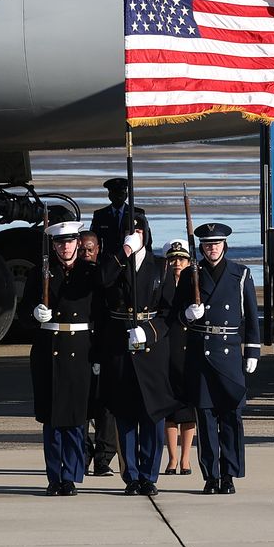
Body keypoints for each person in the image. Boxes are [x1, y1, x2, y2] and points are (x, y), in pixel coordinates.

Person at [96, 209, 180, 498]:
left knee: (153, 416)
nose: (134, 236)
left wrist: (150, 331)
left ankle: (149, 475)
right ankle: (130, 475)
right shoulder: (114, 262)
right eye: (129, 232)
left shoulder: (162, 267)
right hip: (119, 345)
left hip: (151, 347)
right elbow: (102, 281)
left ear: (147, 234)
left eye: (139, 232)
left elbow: (170, 311)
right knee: (125, 415)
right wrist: (124, 252)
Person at [176, 222, 260, 495]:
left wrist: (253, 351)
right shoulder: (191, 274)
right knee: (206, 417)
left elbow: (250, 316)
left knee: (231, 416)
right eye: (207, 244)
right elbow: (174, 314)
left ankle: (229, 474)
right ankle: (211, 475)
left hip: (230, 353)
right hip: (201, 354)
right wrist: (188, 314)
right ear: (200, 247)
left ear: (225, 245)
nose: (212, 248)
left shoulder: (241, 274)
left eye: (216, 243)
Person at [22, 217, 99, 496]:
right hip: (49, 352)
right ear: (53, 246)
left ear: (78, 243)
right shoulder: (40, 273)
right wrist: (34, 313)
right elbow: (22, 315)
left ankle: (72, 475)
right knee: (53, 421)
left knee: (76, 420)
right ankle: (54, 477)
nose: (65, 247)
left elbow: (100, 313)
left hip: (81, 350)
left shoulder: (91, 273)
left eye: (69, 242)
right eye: (59, 243)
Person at [79, 228, 117, 477]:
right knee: (80, 405)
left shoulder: (107, 276)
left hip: (104, 345)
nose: (85, 254)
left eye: (89, 250)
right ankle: (83, 454)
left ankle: (104, 458)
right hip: (79, 346)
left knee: (107, 407)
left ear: (98, 249)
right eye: (81, 249)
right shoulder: (71, 274)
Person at [160, 240, 198, 476]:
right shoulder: (161, 283)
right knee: (169, 407)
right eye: (173, 259)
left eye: (181, 259)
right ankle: (172, 458)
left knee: (187, 408)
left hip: (189, 349)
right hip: (166, 347)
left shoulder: (194, 283)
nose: (177, 264)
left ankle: (186, 458)